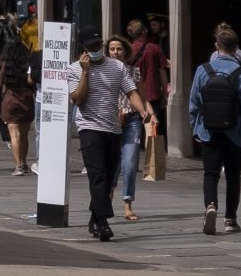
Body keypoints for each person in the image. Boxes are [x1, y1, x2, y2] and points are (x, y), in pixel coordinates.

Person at [69, 29, 153, 242]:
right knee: (98, 175)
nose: (96, 51)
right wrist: (86, 72)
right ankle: (104, 223)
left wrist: (143, 110)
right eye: (92, 48)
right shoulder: (74, 70)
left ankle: (94, 219)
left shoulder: (117, 67)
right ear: (84, 50)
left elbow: (131, 91)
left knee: (107, 179)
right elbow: (78, 99)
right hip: (89, 128)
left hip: (113, 129)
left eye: (99, 46)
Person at [189, 22, 241, 235]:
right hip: (233, 134)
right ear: (237, 48)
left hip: (208, 131)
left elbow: (194, 104)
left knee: (210, 174)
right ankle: (230, 220)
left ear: (216, 45)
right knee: (233, 176)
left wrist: (195, 129)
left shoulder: (203, 70)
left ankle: (210, 205)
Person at [107, 34, 149, 222]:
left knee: (130, 162)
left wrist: (149, 113)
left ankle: (128, 204)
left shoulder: (134, 72)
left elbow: (141, 95)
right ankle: (107, 198)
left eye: (119, 49)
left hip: (132, 119)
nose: (115, 52)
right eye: (112, 49)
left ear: (125, 51)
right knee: (112, 163)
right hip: (110, 120)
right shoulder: (101, 71)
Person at [129, 18, 170, 183]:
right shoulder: (155, 48)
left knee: (132, 130)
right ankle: (149, 163)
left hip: (132, 94)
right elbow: (161, 73)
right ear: (144, 32)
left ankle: (132, 162)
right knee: (150, 129)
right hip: (151, 94)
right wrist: (166, 93)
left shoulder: (128, 49)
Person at [0, 38, 37, 176]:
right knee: (24, 135)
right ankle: (23, 162)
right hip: (27, 100)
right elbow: (33, 82)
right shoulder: (27, 64)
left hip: (10, 100)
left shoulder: (5, 64)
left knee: (14, 135)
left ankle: (18, 166)